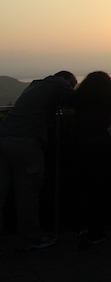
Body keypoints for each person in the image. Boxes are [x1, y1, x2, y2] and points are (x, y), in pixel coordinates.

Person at [0, 70, 76, 250]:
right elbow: (79, 99)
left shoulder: (35, 84)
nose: (70, 88)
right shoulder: (58, 82)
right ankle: (30, 238)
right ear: (64, 79)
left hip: (3, 137)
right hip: (25, 142)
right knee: (27, 193)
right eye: (71, 85)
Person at [68, 71, 111, 250]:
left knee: (83, 188)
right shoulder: (108, 97)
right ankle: (96, 231)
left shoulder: (79, 98)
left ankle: (82, 228)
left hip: (81, 147)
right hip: (103, 146)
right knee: (100, 187)